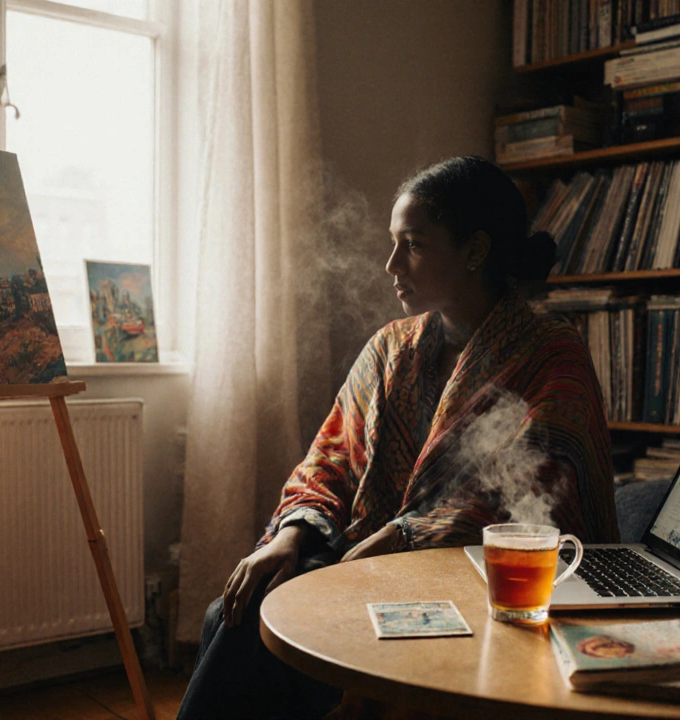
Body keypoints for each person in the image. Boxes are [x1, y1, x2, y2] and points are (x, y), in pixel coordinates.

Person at [177, 156, 619, 720]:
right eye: (393, 243)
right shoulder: (390, 348)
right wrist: (289, 535)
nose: (390, 265)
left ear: (475, 251)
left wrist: (401, 537)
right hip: (365, 561)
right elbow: (331, 460)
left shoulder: (550, 353)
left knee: (249, 627)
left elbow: (537, 491)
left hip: (494, 587)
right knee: (234, 612)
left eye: (412, 244)